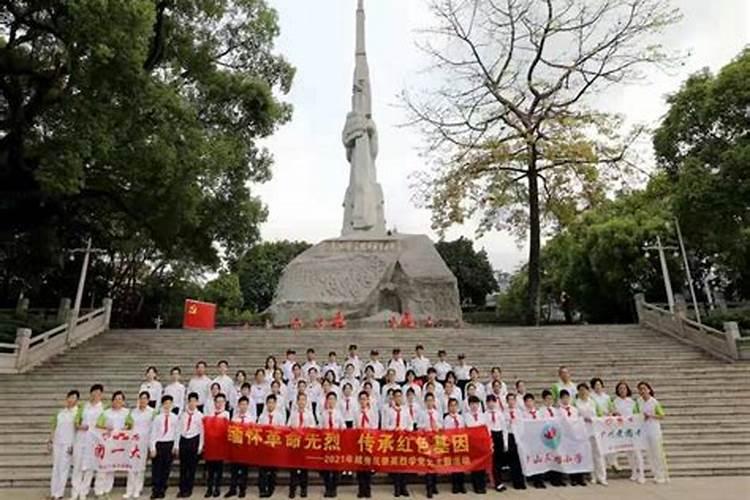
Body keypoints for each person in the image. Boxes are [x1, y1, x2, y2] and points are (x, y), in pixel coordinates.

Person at [94, 391, 132, 497]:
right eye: (116, 399)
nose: (118, 401)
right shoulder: (106, 412)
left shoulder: (127, 412)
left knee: (112, 467)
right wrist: (107, 428)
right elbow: (98, 425)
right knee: (103, 466)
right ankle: (99, 491)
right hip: (107, 442)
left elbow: (131, 425)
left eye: (120, 399)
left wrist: (126, 428)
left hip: (119, 444)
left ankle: (107, 490)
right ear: (112, 401)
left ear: (123, 401)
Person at [70, 383, 104, 500]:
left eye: (99, 393)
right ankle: (75, 492)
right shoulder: (83, 407)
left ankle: (84, 491)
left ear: (101, 395)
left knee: (89, 467)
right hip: (81, 438)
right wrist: (80, 426)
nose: (96, 395)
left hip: (94, 441)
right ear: (91, 393)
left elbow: (105, 425)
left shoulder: (103, 408)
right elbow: (76, 422)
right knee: (78, 466)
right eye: (94, 392)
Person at [611, 381, 645, 483]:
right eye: (620, 388)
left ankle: (641, 474)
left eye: (624, 388)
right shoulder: (615, 402)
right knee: (629, 453)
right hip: (622, 430)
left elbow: (637, 414)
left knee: (637, 452)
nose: (622, 390)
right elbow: (612, 415)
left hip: (633, 429)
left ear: (627, 390)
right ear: (617, 390)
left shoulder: (632, 402)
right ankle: (634, 472)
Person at [48, 389, 79, 500]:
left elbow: (77, 431)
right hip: (57, 443)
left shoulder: (78, 413)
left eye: (74, 398)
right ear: (66, 399)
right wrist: (50, 440)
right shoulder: (60, 412)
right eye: (70, 397)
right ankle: (53, 493)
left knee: (63, 468)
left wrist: (74, 445)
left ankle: (59, 494)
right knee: (56, 467)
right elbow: (54, 427)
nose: (71, 400)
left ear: (77, 400)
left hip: (68, 444)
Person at [637, 381, 669, 484]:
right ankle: (655, 474)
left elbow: (662, 415)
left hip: (654, 430)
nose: (642, 391)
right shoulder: (639, 402)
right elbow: (635, 414)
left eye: (644, 388)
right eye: (640, 389)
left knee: (657, 453)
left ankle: (662, 476)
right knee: (649, 454)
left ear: (649, 390)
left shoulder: (654, 402)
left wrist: (651, 416)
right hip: (644, 430)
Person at [575, 383, 607, 486]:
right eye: (580, 390)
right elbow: (574, 417)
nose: (583, 392)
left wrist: (592, 419)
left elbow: (600, 415)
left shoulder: (593, 402)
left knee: (598, 453)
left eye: (584, 390)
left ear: (588, 391)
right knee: (588, 454)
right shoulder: (576, 403)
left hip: (595, 430)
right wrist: (582, 419)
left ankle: (602, 477)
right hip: (583, 431)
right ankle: (592, 476)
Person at [126, 391, 155, 499]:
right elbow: (129, 426)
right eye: (141, 398)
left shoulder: (152, 412)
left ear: (148, 400)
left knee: (141, 467)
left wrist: (151, 445)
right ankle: (129, 489)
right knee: (131, 466)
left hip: (145, 442)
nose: (143, 400)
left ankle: (138, 489)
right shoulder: (133, 412)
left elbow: (153, 429)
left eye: (145, 398)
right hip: (133, 442)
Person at [383, 389, 412, 497]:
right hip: (394, 440)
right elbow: (385, 425)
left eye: (400, 396)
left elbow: (410, 423)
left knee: (404, 464)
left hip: (404, 440)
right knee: (396, 464)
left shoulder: (405, 410)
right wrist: (394, 428)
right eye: (396, 396)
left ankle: (404, 486)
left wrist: (405, 429)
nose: (398, 398)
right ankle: (397, 487)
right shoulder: (389, 411)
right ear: (393, 398)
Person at [150, 395, 179, 499]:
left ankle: (162, 489)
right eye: (165, 403)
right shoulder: (157, 418)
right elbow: (153, 433)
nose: (167, 405)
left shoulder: (175, 418)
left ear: (172, 405)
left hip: (169, 444)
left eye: (169, 403)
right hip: (159, 444)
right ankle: (155, 490)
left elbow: (177, 433)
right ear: (162, 405)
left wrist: (176, 446)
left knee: (166, 468)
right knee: (156, 468)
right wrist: (152, 447)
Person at [287, 392, 316, 498]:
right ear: (297, 401)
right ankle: (292, 489)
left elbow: (313, 427)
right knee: (293, 468)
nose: (302, 402)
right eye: (300, 400)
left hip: (305, 444)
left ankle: (304, 489)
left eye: (304, 400)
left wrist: (306, 431)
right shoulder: (293, 414)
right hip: (294, 444)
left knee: (304, 468)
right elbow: (288, 426)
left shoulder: (309, 414)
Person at [177, 392, 204, 498]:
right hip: (184, 440)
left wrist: (200, 446)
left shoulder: (200, 416)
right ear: (187, 402)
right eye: (190, 401)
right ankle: (182, 489)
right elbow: (178, 430)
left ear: (197, 402)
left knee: (191, 468)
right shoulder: (183, 414)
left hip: (194, 441)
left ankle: (189, 489)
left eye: (194, 401)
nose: (192, 403)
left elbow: (202, 432)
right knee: (183, 467)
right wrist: (176, 445)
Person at [258, 394, 284, 497]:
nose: (270, 405)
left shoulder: (279, 416)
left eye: (272, 403)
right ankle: (262, 488)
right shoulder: (262, 416)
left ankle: (271, 488)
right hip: (264, 446)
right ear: (266, 404)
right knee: (263, 469)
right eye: (269, 402)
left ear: (275, 404)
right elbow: (259, 430)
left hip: (275, 446)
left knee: (273, 470)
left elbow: (282, 431)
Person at [590, 377, 619, 471]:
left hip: (607, 422)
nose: (598, 387)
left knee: (611, 442)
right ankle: (601, 465)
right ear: (592, 387)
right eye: (596, 385)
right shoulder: (591, 397)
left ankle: (613, 462)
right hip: (597, 423)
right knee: (599, 445)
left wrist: (611, 413)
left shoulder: (606, 397)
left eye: (599, 385)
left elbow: (611, 408)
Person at [226, 396, 252, 498]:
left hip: (245, 448)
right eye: (241, 404)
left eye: (245, 404)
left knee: (244, 470)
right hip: (235, 447)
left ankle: (242, 489)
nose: (243, 406)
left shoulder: (250, 418)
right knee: (234, 470)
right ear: (238, 405)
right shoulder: (234, 417)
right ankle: (232, 489)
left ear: (248, 406)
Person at [320, 392, 345, 497]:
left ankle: (334, 488)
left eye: (333, 399)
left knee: (335, 467)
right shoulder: (323, 413)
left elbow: (343, 426)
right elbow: (320, 427)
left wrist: (339, 430)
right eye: (329, 399)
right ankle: (327, 487)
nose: (331, 401)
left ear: (335, 401)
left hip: (336, 442)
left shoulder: (338, 413)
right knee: (325, 468)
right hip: (326, 443)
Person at [354, 391, 378, 498]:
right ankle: (360, 488)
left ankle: (368, 489)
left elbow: (375, 426)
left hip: (369, 440)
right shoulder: (356, 412)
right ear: (359, 401)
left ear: (368, 400)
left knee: (368, 465)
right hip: (359, 441)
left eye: (365, 399)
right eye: (361, 399)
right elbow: (354, 427)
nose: (363, 401)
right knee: (359, 465)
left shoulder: (373, 412)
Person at [205, 393, 230, 498]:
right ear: (214, 402)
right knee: (210, 469)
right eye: (217, 401)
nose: (219, 404)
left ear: (224, 403)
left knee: (218, 469)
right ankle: (209, 488)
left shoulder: (226, 414)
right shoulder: (209, 414)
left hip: (220, 445)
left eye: (221, 402)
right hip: (210, 445)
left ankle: (217, 488)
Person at [559, 390, 585, 486]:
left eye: (567, 397)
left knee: (579, 457)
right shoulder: (559, 411)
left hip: (577, 436)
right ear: (561, 399)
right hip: (567, 437)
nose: (566, 400)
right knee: (571, 458)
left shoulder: (574, 409)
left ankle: (580, 478)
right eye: (564, 398)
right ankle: (573, 478)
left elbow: (579, 421)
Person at [418, 393, 442, 498]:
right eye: (427, 400)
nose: (429, 402)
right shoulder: (422, 413)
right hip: (426, 440)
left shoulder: (437, 413)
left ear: (434, 401)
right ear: (425, 402)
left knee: (435, 463)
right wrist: (425, 428)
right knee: (428, 464)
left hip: (436, 440)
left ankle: (434, 485)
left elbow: (441, 424)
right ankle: (429, 488)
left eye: (431, 400)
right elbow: (418, 425)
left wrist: (437, 427)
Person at [464, 395, 488, 494]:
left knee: (482, 465)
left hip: (482, 443)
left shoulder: (483, 415)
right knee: (475, 465)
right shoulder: (466, 416)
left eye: (476, 404)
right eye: (472, 404)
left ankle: (482, 485)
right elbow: (468, 428)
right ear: (469, 405)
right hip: (472, 444)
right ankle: (476, 485)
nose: (474, 406)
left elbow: (487, 429)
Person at [522, 393, 546, 489]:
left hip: (539, 439)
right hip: (529, 440)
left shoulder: (539, 412)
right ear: (524, 403)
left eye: (531, 401)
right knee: (533, 460)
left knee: (540, 459)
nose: (529, 403)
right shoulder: (523, 414)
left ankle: (540, 480)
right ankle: (534, 480)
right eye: (527, 401)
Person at [443, 398, 466, 494]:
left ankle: (462, 484)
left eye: (455, 405)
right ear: (448, 407)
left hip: (461, 443)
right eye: (451, 405)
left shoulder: (460, 417)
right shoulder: (447, 418)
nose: (453, 407)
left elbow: (464, 429)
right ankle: (455, 485)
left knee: (462, 464)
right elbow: (445, 431)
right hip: (452, 443)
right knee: (454, 464)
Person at [484, 395, 507, 492]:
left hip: (499, 435)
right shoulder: (485, 414)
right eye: (489, 402)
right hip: (491, 436)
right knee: (493, 462)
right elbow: (485, 429)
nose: (491, 404)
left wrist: (505, 442)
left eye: (493, 401)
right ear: (486, 403)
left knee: (499, 461)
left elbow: (504, 428)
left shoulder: (500, 414)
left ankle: (499, 481)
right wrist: (489, 442)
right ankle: (496, 483)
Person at [504, 393, 526, 490]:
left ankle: (521, 481)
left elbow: (522, 424)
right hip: (510, 435)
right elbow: (503, 426)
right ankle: (515, 481)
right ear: (507, 401)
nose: (511, 402)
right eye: (509, 400)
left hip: (519, 436)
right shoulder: (504, 412)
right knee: (512, 459)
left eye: (513, 399)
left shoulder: (519, 412)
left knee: (520, 459)